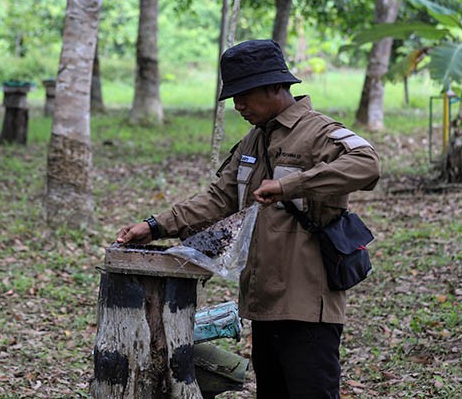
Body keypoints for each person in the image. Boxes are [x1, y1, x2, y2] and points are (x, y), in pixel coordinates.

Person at [116, 39, 381, 398]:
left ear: (276, 86)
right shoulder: (253, 141)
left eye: (245, 94)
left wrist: (291, 185)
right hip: (263, 303)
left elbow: (367, 164)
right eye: (233, 97)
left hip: (307, 306)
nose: (238, 105)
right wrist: (154, 226)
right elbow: (217, 199)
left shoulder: (319, 132)